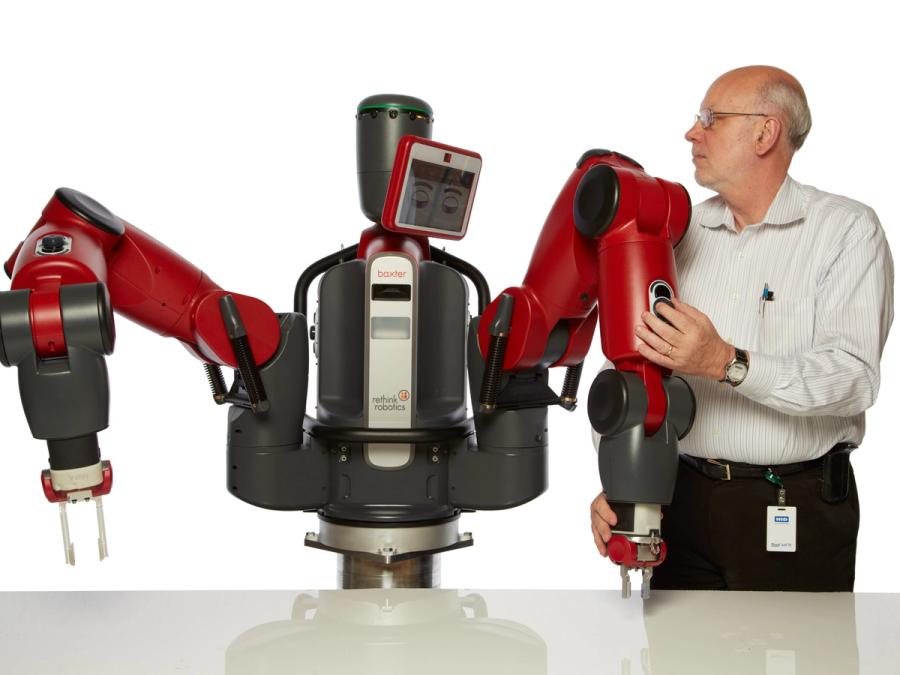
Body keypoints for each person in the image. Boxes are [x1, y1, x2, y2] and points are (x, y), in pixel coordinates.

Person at [590, 65, 894, 591]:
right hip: (676, 497)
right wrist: (625, 480)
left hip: (794, 504)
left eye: (711, 118)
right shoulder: (678, 234)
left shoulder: (847, 231)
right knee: (675, 643)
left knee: (795, 645)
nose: (692, 132)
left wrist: (725, 363)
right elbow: (629, 367)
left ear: (765, 132)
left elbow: (853, 379)